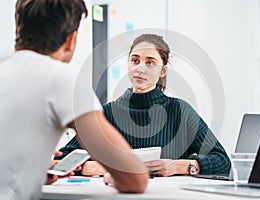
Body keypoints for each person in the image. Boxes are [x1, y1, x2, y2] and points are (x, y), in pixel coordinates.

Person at [0, 1, 148, 199]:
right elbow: (134, 178)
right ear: (71, 40)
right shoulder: (59, 77)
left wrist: (32, 170)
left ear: (18, 29)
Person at [57, 34, 231, 177]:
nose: (140, 68)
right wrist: (105, 167)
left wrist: (179, 166)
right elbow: (64, 160)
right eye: (135, 60)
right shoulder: (108, 113)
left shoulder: (180, 111)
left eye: (150, 62)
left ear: (162, 70)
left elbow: (222, 160)